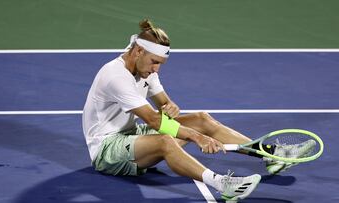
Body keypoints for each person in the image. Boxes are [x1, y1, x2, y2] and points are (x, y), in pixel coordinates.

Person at [82, 19, 312, 201]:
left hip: (131, 135)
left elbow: (163, 105)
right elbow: (154, 120)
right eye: (154, 62)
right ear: (138, 52)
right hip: (106, 150)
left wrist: (169, 107)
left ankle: (272, 154)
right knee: (165, 141)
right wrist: (196, 138)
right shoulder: (115, 76)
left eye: (160, 64)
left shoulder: (145, 70)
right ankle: (222, 184)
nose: (156, 70)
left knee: (201, 119)